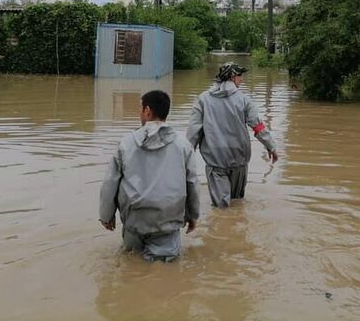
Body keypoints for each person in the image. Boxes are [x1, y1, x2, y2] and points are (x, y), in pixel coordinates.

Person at [99, 90, 199, 262]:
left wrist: (106, 216)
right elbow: (191, 183)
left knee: (130, 267)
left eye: (140, 108)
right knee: (165, 276)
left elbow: (110, 183)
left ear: (147, 111)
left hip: (134, 222)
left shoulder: (126, 143)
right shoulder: (183, 146)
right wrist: (193, 215)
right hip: (166, 225)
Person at [188, 62, 279, 208]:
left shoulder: (203, 99)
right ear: (232, 77)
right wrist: (271, 146)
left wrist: (186, 155)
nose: (242, 79)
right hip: (239, 159)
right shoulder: (244, 100)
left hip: (215, 159)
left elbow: (194, 131)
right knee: (237, 203)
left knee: (221, 208)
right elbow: (258, 126)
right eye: (239, 76)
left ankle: (221, 228)